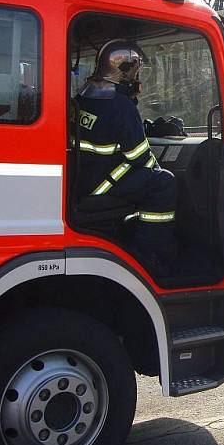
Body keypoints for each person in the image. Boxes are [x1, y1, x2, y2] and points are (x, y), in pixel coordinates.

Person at [77, 39, 177, 271]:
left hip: (81, 180)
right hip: (99, 186)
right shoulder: (121, 106)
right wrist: (156, 169)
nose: (137, 79)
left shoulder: (82, 99)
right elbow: (140, 157)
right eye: (135, 72)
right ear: (122, 70)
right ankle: (149, 252)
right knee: (164, 183)